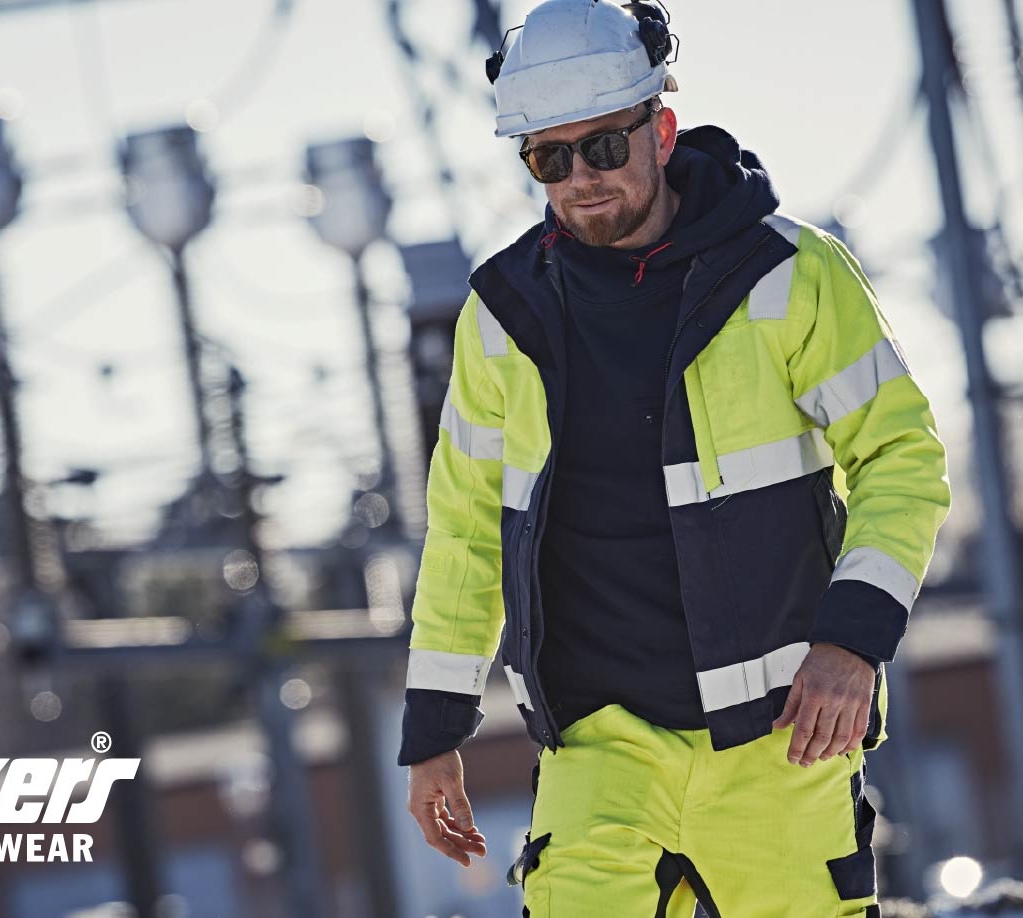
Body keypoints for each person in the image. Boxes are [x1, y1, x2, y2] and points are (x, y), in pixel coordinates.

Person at [396, 2, 952, 914]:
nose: (581, 180)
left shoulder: (790, 276)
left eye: (605, 148)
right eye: (549, 158)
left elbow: (902, 459)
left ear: (659, 129)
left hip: (784, 742)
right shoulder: (501, 319)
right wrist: (434, 732)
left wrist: (852, 644)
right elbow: (462, 534)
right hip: (599, 755)